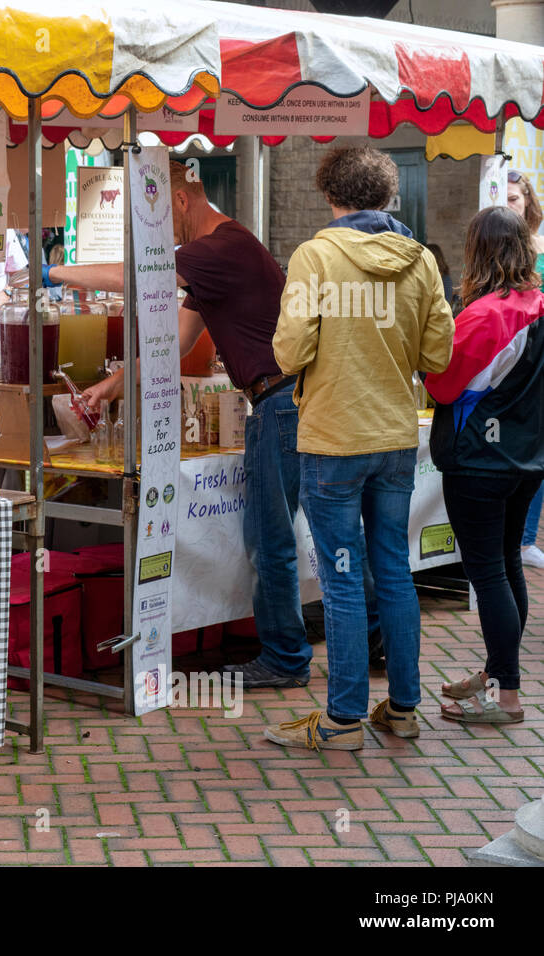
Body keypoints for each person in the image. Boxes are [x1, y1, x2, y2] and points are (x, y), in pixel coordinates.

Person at [43, 161, 315, 690]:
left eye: (159, 218)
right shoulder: (218, 259)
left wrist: (53, 272)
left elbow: (137, 275)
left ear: (182, 201)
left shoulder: (218, 248)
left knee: (271, 541)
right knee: (275, 538)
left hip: (280, 403)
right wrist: (108, 387)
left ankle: (286, 658)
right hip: (277, 404)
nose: (160, 233)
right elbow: (176, 343)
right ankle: (307, 647)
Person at [266, 146, 453, 751]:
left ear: (329, 195)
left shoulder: (316, 257)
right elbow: (439, 356)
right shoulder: (420, 260)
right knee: (395, 572)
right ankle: (402, 710)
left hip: (333, 438)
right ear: (387, 196)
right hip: (397, 437)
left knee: (343, 577)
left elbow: (289, 353)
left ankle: (344, 719)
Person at [423, 206, 544, 725]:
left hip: (479, 460)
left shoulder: (484, 314)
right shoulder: (538, 303)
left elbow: (443, 385)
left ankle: (507, 693)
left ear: (477, 251)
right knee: (506, 562)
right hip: (528, 457)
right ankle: (499, 675)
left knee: (488, 572)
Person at [504, 170, 544, 568]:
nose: (509, 205)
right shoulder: (494, 250)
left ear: (528, 203)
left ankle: (524, 540)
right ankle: (513, 538)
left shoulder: (540, 248)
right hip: (507, 360)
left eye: (514, 198)